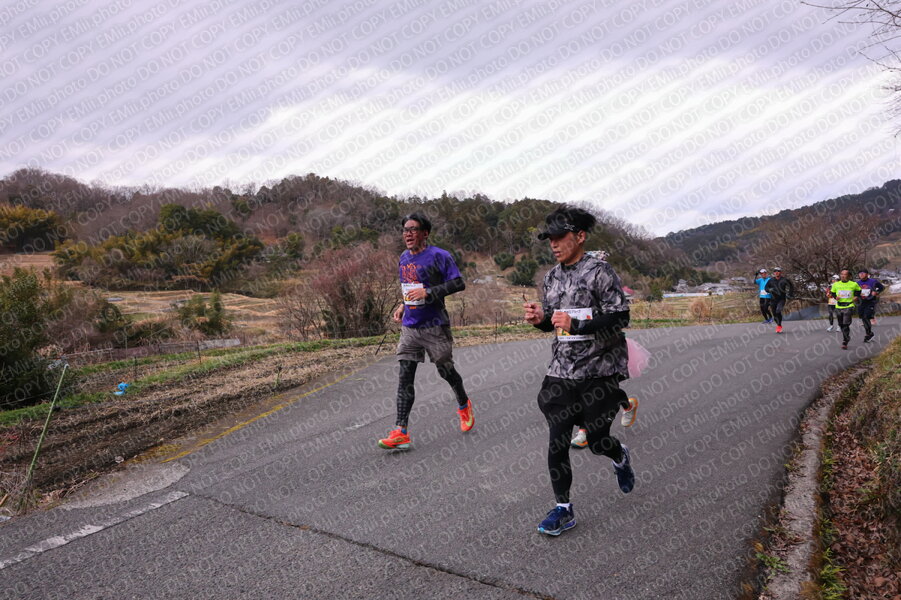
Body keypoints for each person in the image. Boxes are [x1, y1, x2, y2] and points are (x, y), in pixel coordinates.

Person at [523, 206, 634, 536]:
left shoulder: (600, 272)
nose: (553, 244)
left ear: (580, 236)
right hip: (561, 371)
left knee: (597, 442)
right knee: (557, 441)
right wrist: (540, 319)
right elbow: (554, 323)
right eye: (550, 239)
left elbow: (620, 317)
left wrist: (580, 324)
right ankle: (563, 509)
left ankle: (619, 455)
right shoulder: (551, 277)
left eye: (560, 237)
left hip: (599, 371)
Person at [377, 213, 474, 450]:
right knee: (405, 375)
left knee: (445, 370)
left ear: (425, 233)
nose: (408, 234)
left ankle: (463, 403)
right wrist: (403, 305)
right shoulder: (403, 258)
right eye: (405, 230)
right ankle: (401, 431)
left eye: (413, 229)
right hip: (411, 326)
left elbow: (458, 283)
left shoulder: (440, 256)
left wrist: (429, 292)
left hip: (435, 326)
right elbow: (408, 288)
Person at [829, 269, 861, 350]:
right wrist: (835, 297)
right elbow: (833, 292)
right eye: (841, 274)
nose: (843, 276)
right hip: (839, 306)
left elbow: (859, 291)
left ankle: (845, 341)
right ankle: (846, 337)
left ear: (849, 276)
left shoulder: (853, 284)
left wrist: (856, 297)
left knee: (846, 324)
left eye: (845, 274)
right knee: (841, 324)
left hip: (849, 305)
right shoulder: (836, 284)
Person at [856, 268, 884, 343]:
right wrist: (855, 296)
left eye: (863, 273)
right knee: (863, 318)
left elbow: (882, 287)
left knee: (866, 317)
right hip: (861, 302)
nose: (861, 274)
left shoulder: (873, 281)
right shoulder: (857, 283)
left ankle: (868, 334)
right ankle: (869, 333)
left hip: (870, 301)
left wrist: (876, 292)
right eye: (860, 273)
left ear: (867, 274)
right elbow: (855, 292)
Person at [765, 267, 794, 334]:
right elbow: (766, 288)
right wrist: (769, 290)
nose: (776, 272)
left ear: (780, 272)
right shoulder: (771, 280)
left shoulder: (784, 280)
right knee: (774, 313)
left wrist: (790, 294)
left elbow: (791, 286)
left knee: (778, 311)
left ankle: (779, 325)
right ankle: (779, 325)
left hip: (781, 299)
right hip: (773, 299)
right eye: (775, 271)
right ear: (774, 273)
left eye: (778, 271)